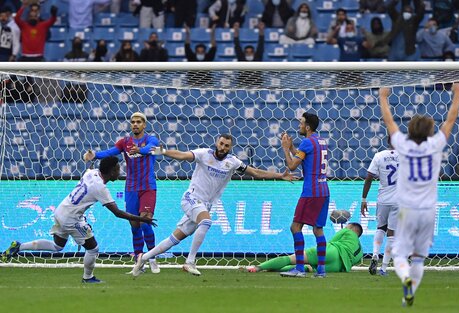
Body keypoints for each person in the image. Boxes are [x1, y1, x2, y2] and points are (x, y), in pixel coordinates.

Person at [131, 134, 298, 276]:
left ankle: (143, 258)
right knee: (206, 221)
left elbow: (255, 172)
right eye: (221, 143)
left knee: (175, 238)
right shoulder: (204, 154)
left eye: (227, 145)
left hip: (205, 204)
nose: (223, 147)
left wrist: (279, 175)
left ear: (230, 148)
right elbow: (182, 155)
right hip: (191, 198)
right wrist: (162, 151)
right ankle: (190, 261)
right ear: (216, 143)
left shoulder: (233, 162)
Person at [1, 156, 156, 283]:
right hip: (71, 219)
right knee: (93, 248)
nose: (120, 171)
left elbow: (89, 169)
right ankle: (87, 278)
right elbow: (117, 212)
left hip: (61, 210)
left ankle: (19, 246)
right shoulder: (100, 188)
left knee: (57, 246)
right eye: (118, 168)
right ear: (111, 171)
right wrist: (142, 219)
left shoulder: (91, 173)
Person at [378, 82, 459, 306]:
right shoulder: (435, 145)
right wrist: (457, 93)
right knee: (418, 258)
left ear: (411, 129)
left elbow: (389, 121)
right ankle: (409, 294)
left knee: (398, 254)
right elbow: (451, 120)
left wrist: (383, 97)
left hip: (406, 210)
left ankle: (405, 280)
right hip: (428, 211)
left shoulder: (402, 145)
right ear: (430, 131)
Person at [83, 112, 160, 274]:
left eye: (139, 122)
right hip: (131, 188)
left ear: (144, 125)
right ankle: (139, 261)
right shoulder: (124, 142)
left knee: (146, 222)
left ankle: (152, 257)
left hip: (148, 187)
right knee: (134, 225)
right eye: (133, 122)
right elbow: (110, 152)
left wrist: (140, 149)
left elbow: (149, 149)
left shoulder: (151, 139)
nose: (135, 124)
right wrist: (94, 155)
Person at [280, 112, 330, 278]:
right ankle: (321, 270)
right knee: (318, 229)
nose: (299, 125)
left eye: (301, 123)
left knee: (295, 227)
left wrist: (286, 149)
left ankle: (300, 268)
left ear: (307, 127)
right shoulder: (320, 141)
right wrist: (294, 147)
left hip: (311, 191)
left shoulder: (307, 143)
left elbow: (293, 165)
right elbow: (305, 156)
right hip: (324, 191)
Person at [245, 223, 363, 274]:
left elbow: (332, 241)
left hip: (332, 251)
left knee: (292, 259)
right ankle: (273, 269)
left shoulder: (347, 231)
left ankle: (258, 267)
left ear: (351, 228)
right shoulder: (361, 252)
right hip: (338, 267)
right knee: (308, 268)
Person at [361, 136, 399, 276]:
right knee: (392, 234)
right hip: (398, 201)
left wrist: (364, 199)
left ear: (388, 142)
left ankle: (375, 254)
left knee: (380, 228)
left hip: (383, 199)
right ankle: (383, 268)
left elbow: (369, 177)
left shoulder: (379, 156)